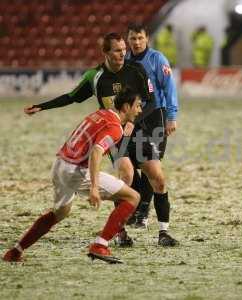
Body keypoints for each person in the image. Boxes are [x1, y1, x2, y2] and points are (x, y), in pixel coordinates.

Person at [22, 32, 158, 247]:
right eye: (117, 50)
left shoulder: (136, 70)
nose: (123, 54)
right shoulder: (94, 76)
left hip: (136, 127)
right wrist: (42, 106)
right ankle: (120, 230)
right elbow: (71, 97)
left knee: (153, 174)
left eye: (124, 49)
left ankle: (134, 214)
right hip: (111, 131)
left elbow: (150, 100)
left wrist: (134, 121)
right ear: (105, 52)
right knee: (127, 173)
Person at [3, 87, 143, 264]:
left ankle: (15, 251)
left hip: (59, 163)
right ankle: (100, 245)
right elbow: (96, 152)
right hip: (74, 169)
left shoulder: (100, 114)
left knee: (60, 213)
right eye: (137, 106)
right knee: (133, 197)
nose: (140, 110)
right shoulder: (115, 128)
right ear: (126, 106)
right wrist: (94, 187)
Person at [124, 23, 179, 246]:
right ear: (128, 40)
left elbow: (169, 88)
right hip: (134, 117)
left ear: (147, 39)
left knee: (151, 164)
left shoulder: (158, 59)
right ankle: (140, 209)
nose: (136, 42)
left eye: (140, 38)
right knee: (136, 165)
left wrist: (171, 116)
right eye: (133, 38)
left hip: (156, 115)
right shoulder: (126, 62)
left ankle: (143, 214)